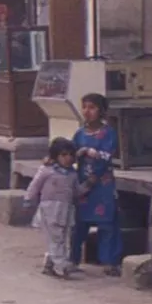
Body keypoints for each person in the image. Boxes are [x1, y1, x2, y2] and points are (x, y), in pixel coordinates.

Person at [71, 93, 123, 276]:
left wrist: (95, 175)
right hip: (82, 185)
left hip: (102, 185)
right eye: (85, 107)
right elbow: (69, 154)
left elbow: (107, 156)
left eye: (92, 107)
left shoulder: (108, 133)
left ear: (101, 111)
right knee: (78, 224)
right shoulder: (79, 134)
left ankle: (109, 261)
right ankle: (72, 259)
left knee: (107, 223)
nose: (87, 111)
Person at [24, 138, 82, 280]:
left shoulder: (72, 174)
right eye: (63, 155)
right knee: (56, 238)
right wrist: (28, 199)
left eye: (70, 155)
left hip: (66, 210)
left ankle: (49, 264)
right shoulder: (47, 170)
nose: (68, 158)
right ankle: (61, 266)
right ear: (55, 156)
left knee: (62, 237)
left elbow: (76, 191)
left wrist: (89, 185)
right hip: (50, 209)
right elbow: (35, 185)